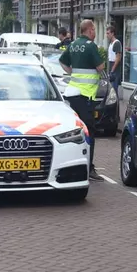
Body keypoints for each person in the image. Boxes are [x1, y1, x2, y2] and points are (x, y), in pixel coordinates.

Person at [59, 20, 104, 181]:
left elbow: (62, 62)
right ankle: (89, 167)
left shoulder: (72, 45)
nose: (95, 32)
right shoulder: (91, 46)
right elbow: (100, 67)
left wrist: (72, 72)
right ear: (90, 30)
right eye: (94, 29)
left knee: (72, 131)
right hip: (85, 96)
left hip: (72, 93)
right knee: (88, 132)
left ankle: (70, 162)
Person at [106, 26, 122, 96]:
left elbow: (118, 58)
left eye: (108, 33)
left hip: (115, 70)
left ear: (112, 33)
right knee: (111, 91)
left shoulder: (116, 43)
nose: (107, 35)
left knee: (114, 91)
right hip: (111, 67)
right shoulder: (111, 44)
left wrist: (112, 70)